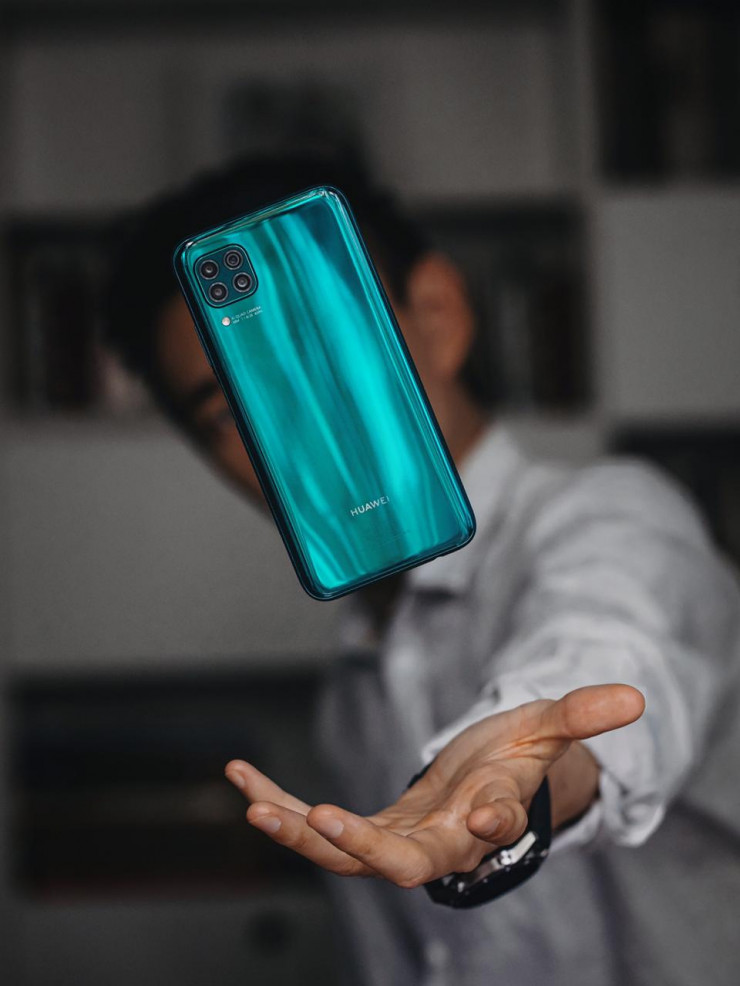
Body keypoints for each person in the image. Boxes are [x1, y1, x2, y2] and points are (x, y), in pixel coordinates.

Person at [105, 152, 740, 986]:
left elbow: (608, 645)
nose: (301, 438)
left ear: (437, 314)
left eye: (326, 355)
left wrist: (519, 775)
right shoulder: (350, 695)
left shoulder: (618, 517)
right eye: (231, 413)